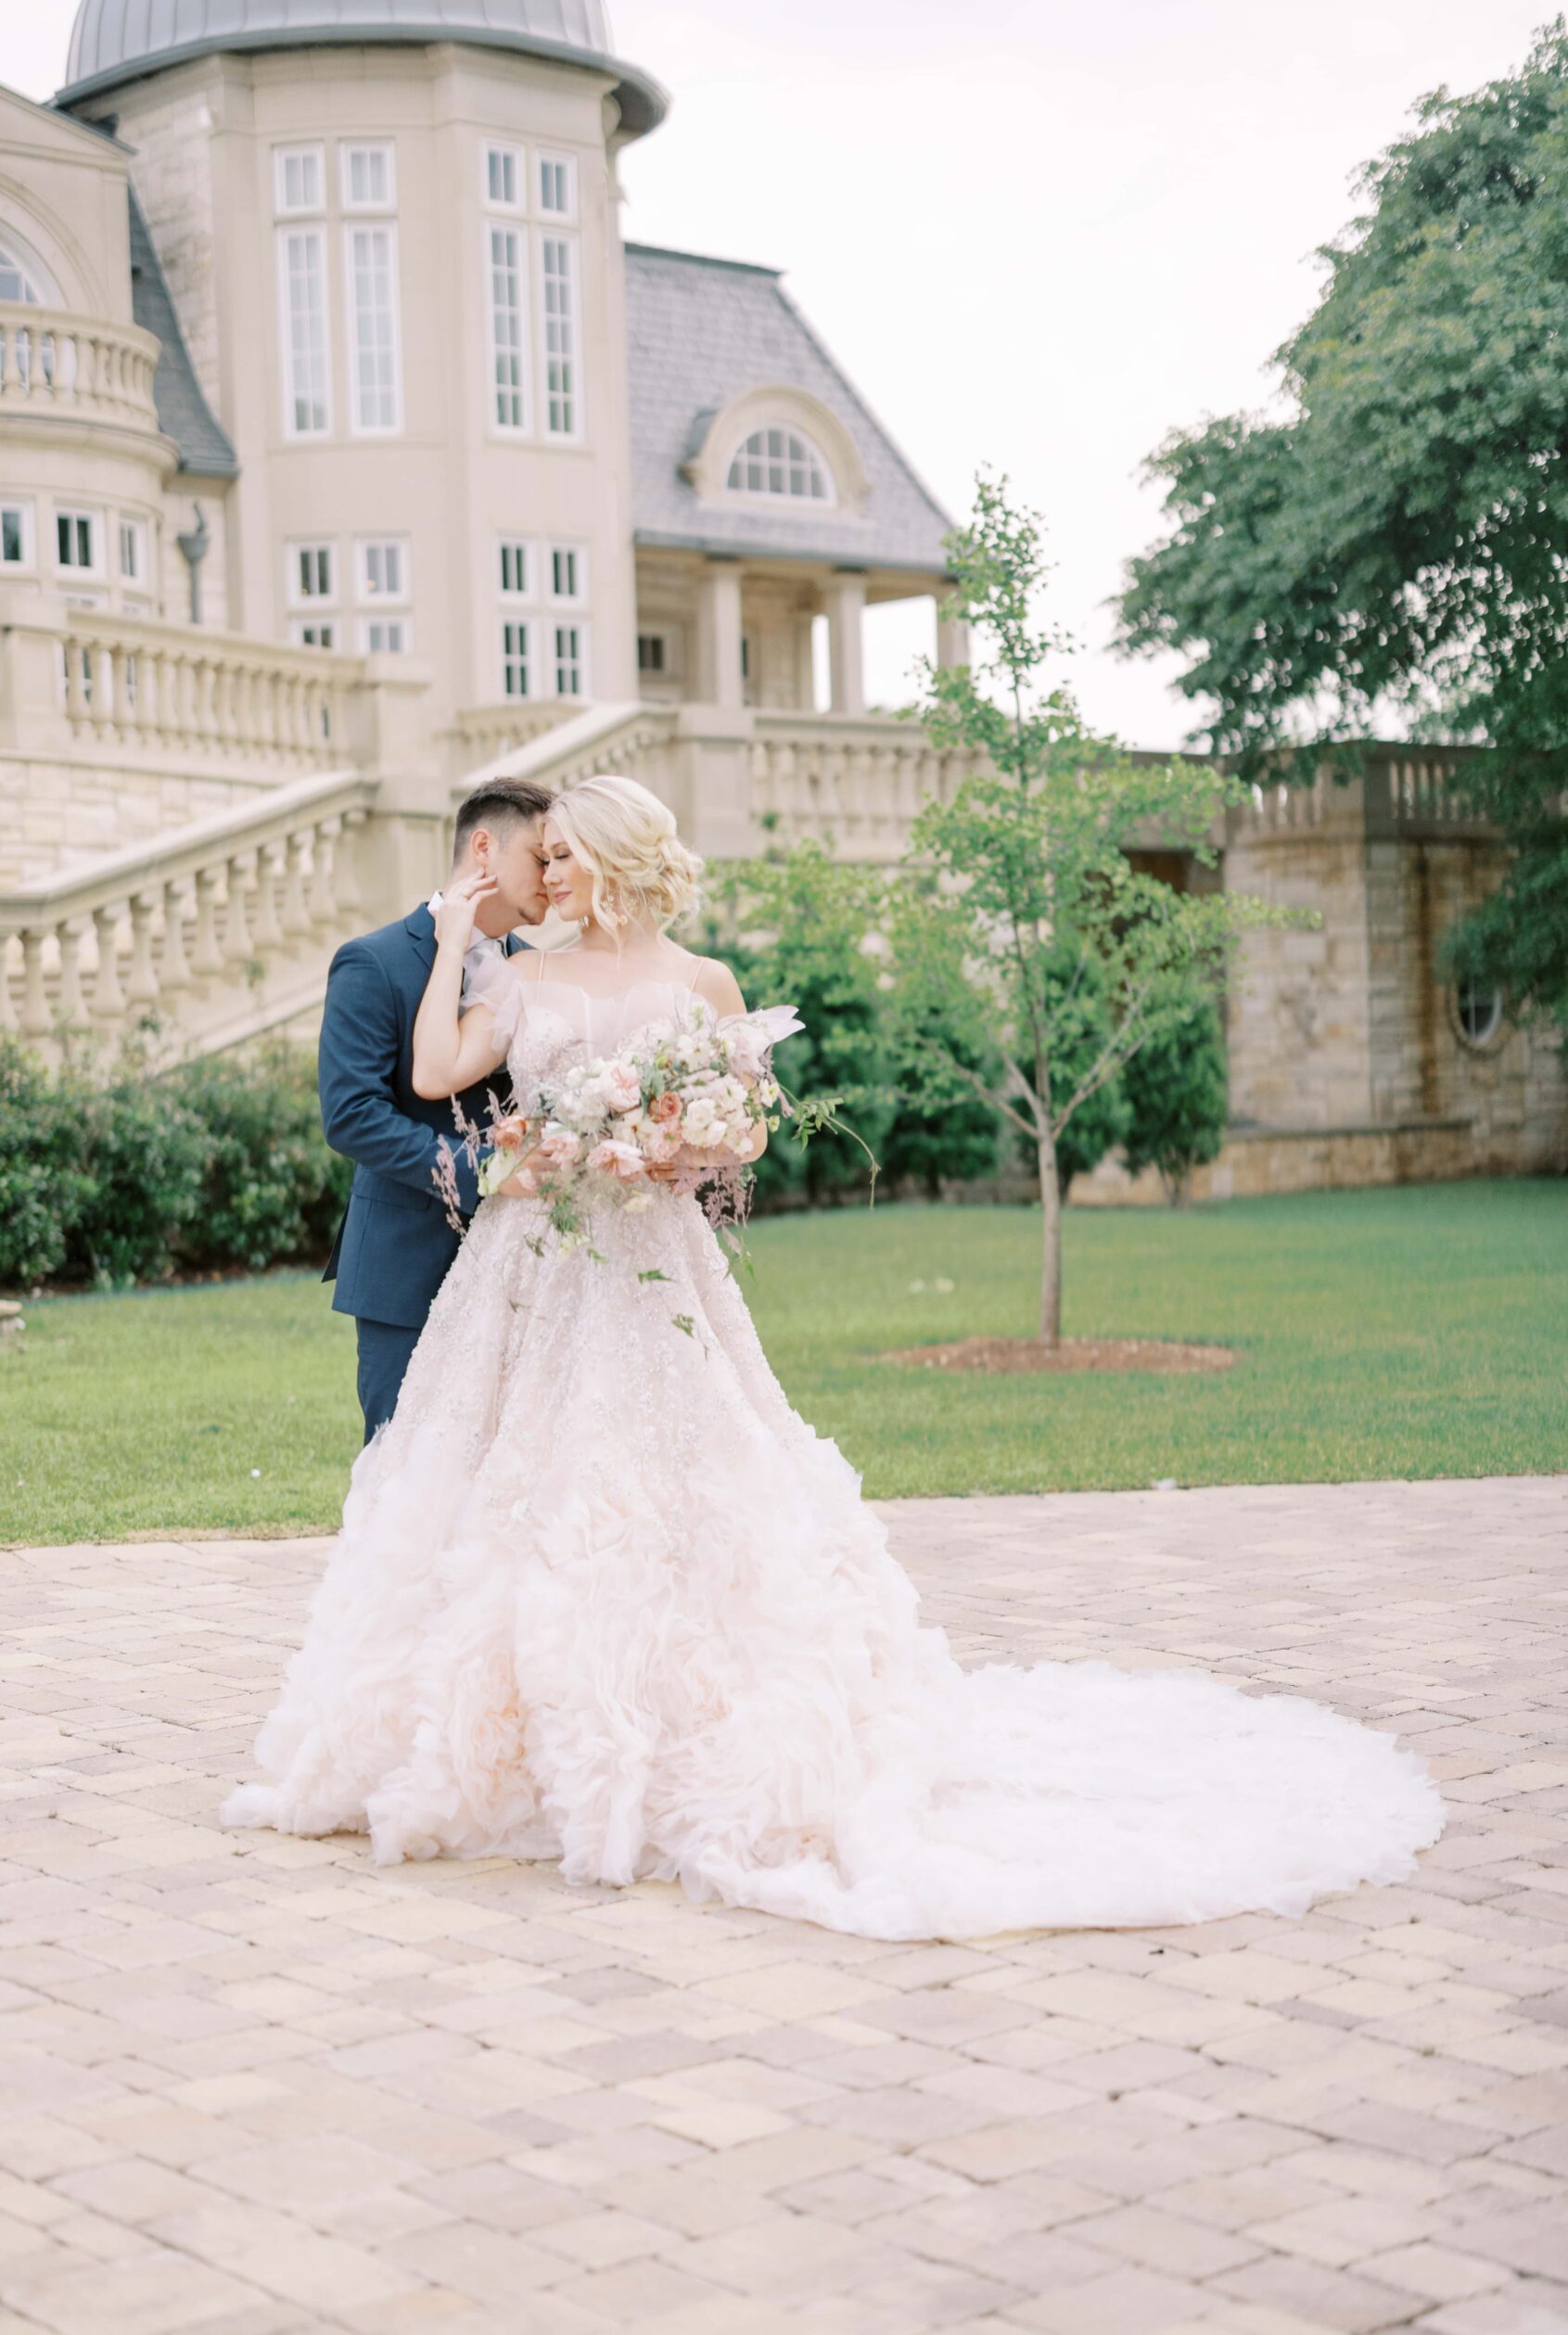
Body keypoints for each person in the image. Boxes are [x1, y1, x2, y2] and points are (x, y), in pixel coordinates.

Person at [224, 775, 1446, 1940]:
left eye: (562, 855)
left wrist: (671, 1142)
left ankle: (680, 1716)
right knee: (515, 1484)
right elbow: (435, 1074)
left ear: (613, 857)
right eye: (538, 856)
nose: (546, 875)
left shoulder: (704, 980)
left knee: (680, 1474)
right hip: (534, 1268)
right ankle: (500, 1725)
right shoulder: (519, 978)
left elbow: (746, 1126)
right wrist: (449, 946)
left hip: (649, 1263)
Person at [317, 777, 553, 1441]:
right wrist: (484, 1167)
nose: (554, 874)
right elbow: (352, 1115)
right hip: (406, 1256)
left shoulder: (540, 969)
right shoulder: (375, 962)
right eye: (542, 856)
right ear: (484, 847)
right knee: (403, 1457)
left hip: (524, 1258)